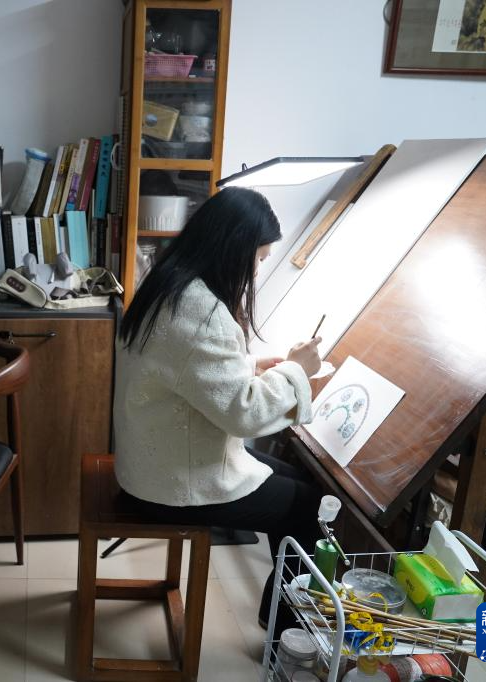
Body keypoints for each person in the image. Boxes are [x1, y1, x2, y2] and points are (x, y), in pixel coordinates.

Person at [113, 187, 324, 629]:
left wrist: (250, 365)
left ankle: (280, 610)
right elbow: (244, 415)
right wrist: (297, 371)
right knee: (308, 504)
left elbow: (184, 369)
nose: (257, 269)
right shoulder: (201, 313)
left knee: (300, 482)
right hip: (172, 487)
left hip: (151, 464)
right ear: (233, 248)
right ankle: (285, 626)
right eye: (259, 258)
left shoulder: (169, 283)